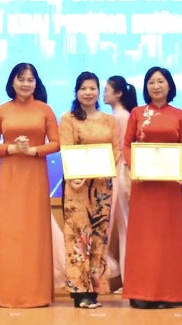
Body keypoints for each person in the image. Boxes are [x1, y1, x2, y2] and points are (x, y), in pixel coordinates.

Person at [0, 62, 60, 308]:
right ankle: (7, 293)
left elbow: (57, 142)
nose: (26, 84)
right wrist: (12, 149)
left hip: (35, 174)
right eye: (21, 79)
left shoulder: (45, 109)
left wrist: (34, 150)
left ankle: (35, 293)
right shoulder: (1, 110)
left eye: (30, 79)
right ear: (12, 82)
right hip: (10, 174)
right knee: (10, 231)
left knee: (34, 230)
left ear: (36, 83)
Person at [122, 66, 182, 309]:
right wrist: (134, 167)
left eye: (161, 81)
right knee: (144, 238)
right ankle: (141, 293)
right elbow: (127, 145)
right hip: (144, 185)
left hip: (169, 186)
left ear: (169, 85)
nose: (156, 86)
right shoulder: (137, 113)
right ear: (146, 87)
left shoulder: (179, 115)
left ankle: (170, 294)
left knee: (169, 238)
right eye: (151, 82)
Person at [59, 71, 121, 309]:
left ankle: (94, 290)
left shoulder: (109, 120)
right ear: (76, 92)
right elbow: (66, 149)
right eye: (83, 88)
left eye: (92, 88)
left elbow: (116, 150)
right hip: (77, 186)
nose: (88, 92)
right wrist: (75, 177)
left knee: (98, 236)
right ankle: (80, 292)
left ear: (98, 91)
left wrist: (103, 169)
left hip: (102, 187)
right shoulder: (68, 119)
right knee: (77, 237)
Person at [102, 75, 137, 288]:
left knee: (125, 230)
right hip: (119, 171)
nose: (103, 94)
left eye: (106, 90)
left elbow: (120, 151)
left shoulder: (120, 117)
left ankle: (129, 280)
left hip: (120, 173)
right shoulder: (121, 116)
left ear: (119, 93)